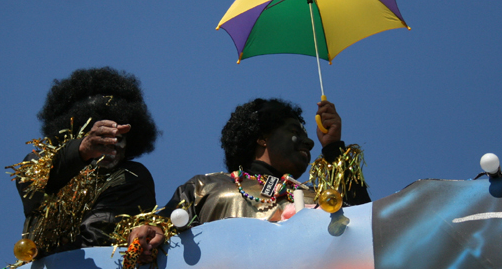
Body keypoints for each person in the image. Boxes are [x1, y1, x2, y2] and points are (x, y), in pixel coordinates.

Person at [126, 98, 370, 260]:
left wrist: (333, 147)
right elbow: (158, 228)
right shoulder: (208, 186)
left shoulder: (319, 197)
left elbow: (365, 225)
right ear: (262, 137)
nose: (309, 142)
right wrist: (148, 232)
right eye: (295, 132)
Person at [9, 67, 159, 256]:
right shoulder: (38, 162)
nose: (111, 146)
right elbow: (36, 189)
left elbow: (98, 242)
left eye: (118, 138)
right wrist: (82, 150)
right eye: (102, 137)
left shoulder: (131, 177)